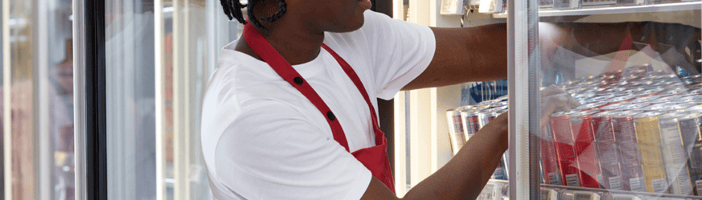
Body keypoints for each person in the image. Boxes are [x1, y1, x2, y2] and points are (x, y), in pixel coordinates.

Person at [200, 0, 575, 199]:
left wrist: (628, 33)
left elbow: (480, 51)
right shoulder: (252, 118)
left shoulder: (344, 37)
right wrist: (506, 128)